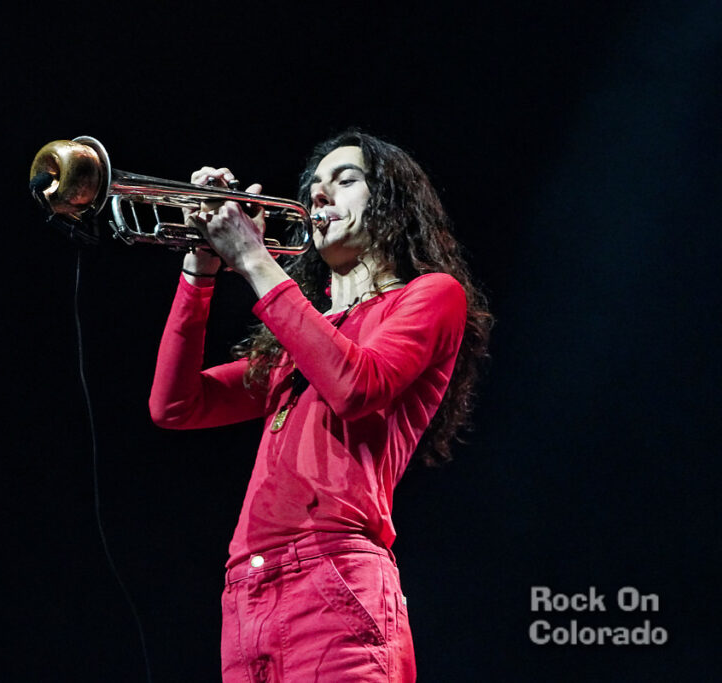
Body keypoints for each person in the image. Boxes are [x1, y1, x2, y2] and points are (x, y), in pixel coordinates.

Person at [148, 129, 491, 682]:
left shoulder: (431, 294)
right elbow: (175, 405)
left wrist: (253, 259)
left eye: (345, 180)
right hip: (246, 591)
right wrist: (200, 271)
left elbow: (356, 386)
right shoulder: (298, 344)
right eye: (313, 187)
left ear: (391, 203)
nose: (318, 195)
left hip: (333, 579)